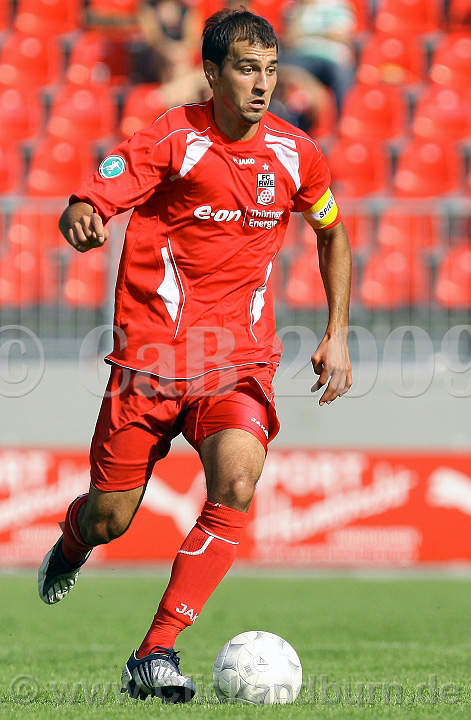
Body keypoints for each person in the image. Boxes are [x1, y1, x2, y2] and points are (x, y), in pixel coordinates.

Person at [38, 8, 352, 704]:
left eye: (270, 70)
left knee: (236, 482)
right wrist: (81, 217)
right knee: (110, 518)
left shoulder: (297, 154)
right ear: (212, 73)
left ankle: (156, 650)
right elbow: (89, 201)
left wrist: (337, 331)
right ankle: (73, 542)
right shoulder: (172, 139)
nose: (262, 84)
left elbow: (332, 231)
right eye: (246, 69)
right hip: (150, 359)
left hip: (237, 360)